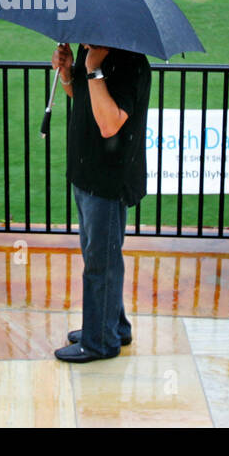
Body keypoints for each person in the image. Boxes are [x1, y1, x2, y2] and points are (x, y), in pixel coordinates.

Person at [50, 41, 152, 363]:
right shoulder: (91, 49)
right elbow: (83, 99)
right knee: (102, 256)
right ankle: (113, 326)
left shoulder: (131, 63)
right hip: (85, 172)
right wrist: (68, 75)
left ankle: (100, 341)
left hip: (107, 180)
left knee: (100, 263)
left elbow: (109, 124)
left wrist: (93, 69)